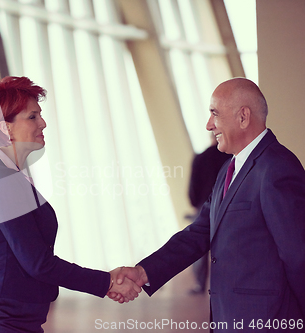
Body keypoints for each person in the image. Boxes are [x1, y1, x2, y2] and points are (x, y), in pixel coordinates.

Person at [0, 76, 141, 333]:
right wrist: (107, 281)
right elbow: (37, 262)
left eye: (40, 115)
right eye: (32, 117)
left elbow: (2, 254)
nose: (43, 123)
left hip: (13, 316)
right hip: (1, 320)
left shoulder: (10, 175)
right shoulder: (1, 179)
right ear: (6, 128)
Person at [112, 78, 305, 331]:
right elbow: (199, 232)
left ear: (243, 117)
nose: (208, 125)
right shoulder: (229, 168)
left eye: (214, 113)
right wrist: (144, 272)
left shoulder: (277, 167)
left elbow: (298, 255)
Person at [187, 136, 230, 294]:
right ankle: (225, 284)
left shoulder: (201, 157)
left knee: (199, 245)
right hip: (227, 205)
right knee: (226, 244)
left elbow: (193, 185)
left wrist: (195, 203)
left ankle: (200, 284)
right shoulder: (230, 158)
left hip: (204, 205)